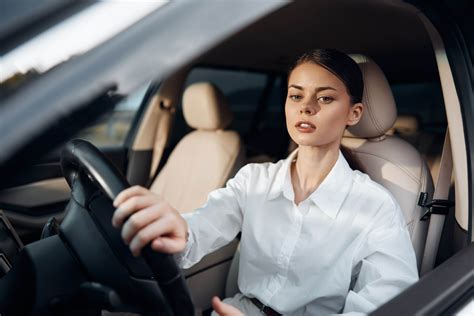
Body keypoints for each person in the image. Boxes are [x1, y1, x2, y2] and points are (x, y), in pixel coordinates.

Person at [112, 49, 419, 315]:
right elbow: (203, 226)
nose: (306, 107)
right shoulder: (253, 179)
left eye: (325, 98)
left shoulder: (375, 206)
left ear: (354, 114)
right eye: (296, 95)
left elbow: (387, 307)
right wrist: (179, 230)